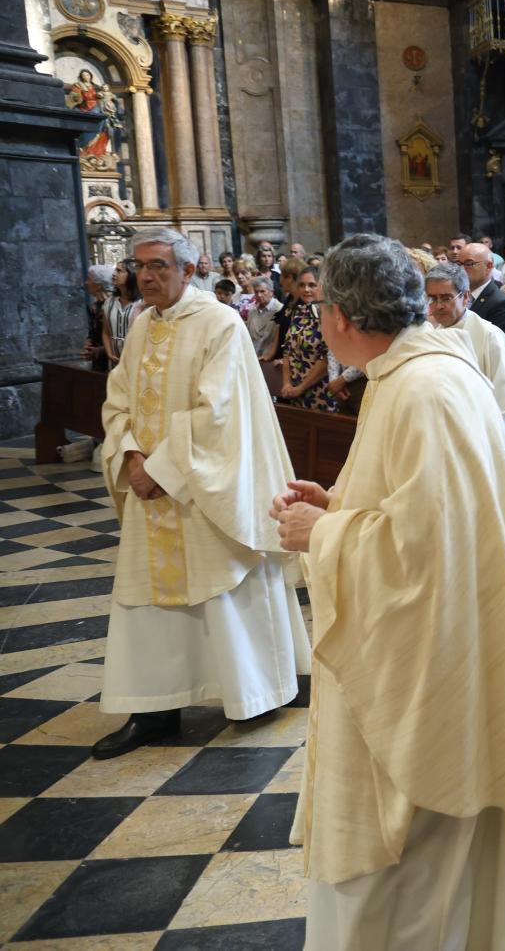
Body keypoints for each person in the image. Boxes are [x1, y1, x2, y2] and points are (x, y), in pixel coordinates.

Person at [269, 234, 505, 950]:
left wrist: (323, 535)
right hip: (449, 644)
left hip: (431, 665)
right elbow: (420, 510)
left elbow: (427, 554)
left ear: (343, 316)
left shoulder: (422, 388)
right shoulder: (413, 371)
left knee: (414, 860)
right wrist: (339, 504)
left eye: (321, 307)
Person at [92, 227, 309, 759]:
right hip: (151, 487)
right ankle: (154, 709)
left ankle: (251, 694)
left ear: (189, 271)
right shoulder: (142, 325)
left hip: (205, 487)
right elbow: (118, 399)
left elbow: (219, 413)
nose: (146, 276)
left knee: (223, 584)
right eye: (140, 265)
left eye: (159, 266)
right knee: (147, 597)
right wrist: (132, 457)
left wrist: (161, 469)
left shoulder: (219, 324)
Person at [425, 262, 505, 447]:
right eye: (432, 298)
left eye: (446, 298)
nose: (438, 306)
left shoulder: (489, 336)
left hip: (481, 444)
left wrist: (486, 446)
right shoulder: (431, 336)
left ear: (465, 296)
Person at [281, 267, 339, 411]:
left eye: (312, 285)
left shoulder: (329, 314)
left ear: (322, 286)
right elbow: (287, 352)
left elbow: (326, 359)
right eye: (302, 285)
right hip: (294, 392)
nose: (306, 289)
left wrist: (301, 388)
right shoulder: (298, 312)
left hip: (321, 393)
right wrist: (287, 383)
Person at [459, 241, 505, 349]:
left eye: (469, 264)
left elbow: (498, 349)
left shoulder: (501, 304)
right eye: (459, 264)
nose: (462, 269)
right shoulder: (458, 297)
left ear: (488, 266)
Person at [103, 258, 143, 366]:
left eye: (119, 271)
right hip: (115, 360)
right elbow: (106, 332)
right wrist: (109, 353)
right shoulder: (109, 302)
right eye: (115, 270)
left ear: (131, 275)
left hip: (137, 360)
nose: (114, 274)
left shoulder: (143, 303)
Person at [244, 276, 282, 359]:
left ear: (271, 292)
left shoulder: (280, 310)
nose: (259, 295)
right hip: (251, 356)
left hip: (270, 358)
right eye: (256, 292)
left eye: (262, 291)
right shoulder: (252, 312)